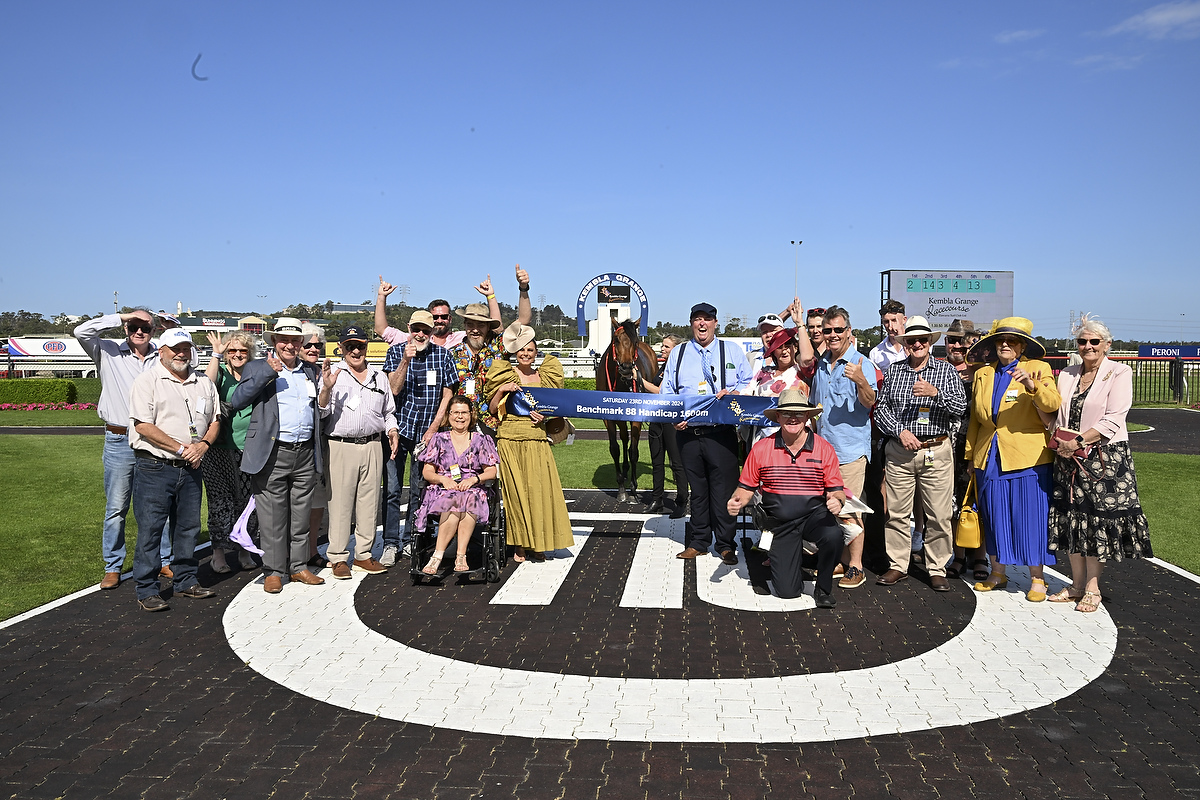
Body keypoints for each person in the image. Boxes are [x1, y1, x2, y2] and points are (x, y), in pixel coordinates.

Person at [1046, 315, 1152, 613]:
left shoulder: (1119, 372)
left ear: (1107, 345)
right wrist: (1035, 394)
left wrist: (1079, 442)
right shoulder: (1066, 373)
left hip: (1105, 458)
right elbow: (1054, 415)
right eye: (1083, 341)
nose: (1088, 346)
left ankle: (1093, 586)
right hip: (1068, 458)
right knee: (1072, 518)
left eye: (1094, 341)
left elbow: (1115, 417)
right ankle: (1076, 584)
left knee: (1098, 520)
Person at [74, 308, 175, 589]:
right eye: (133, 326)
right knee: (117, 507)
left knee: (158, 505)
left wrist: (167, 326)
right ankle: (113, 566)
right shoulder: (106, 351)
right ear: (125, 328)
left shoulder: (162, 356)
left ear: (154, 331)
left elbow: (185, 353)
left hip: (153, 439)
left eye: (145, 327)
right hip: (119, 439)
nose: (139, 332)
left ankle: (165, 560)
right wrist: (124, 315)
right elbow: (81, 331)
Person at [229, 317, 330, 594]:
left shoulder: (310, 371)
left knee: (300, 515)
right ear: (274, 341)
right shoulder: (257, 367)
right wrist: (267, 374)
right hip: (272, 451)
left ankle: (298, 567)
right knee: (272, 516)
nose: (290, 345)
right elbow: (237, 401)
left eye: (295, 340)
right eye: (284, 340)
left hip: (305, 451)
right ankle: (273, 570)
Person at [965, 317, 1062, 602]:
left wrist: (1033, 386)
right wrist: (971, 455)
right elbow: (976, 419)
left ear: (1023, 346)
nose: (1005, 345)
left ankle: (1037, 578)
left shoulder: (1038, 369)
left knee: (1030, 517)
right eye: (1000, 340)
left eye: (1012, 341)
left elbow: (1052, 405)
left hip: (1028, 457)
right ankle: (998, 572)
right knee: (994, 516)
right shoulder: (983, 374)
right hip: (989, 456)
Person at [127, 329, 221, 611]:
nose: (181, 353)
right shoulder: (148, 381)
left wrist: (203, 445)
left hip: (192, 466)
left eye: (186, 348)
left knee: (189, 529)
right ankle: (146, 589)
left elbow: (215, 419)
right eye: (175, 348)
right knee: (151, 530)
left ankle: (185, 581)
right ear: (162, 351)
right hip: (156, 466)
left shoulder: (203, 381)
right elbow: (142, 425)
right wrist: (181, 448)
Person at [872, 317, 967, 591]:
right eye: (911, 340)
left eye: (922, 340)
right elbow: (881, 410)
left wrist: (935, 393)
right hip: (901, 451)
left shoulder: (946, 372)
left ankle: (936, 566)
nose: (917, 344)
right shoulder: (894, 372)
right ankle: (898, 565)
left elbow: (960, 407)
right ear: (904, 344)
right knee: (898, 513)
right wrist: (899, 431)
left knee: (938, 514)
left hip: (935, 449)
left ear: (930, 343)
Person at [727, 390, 844, 609]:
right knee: (787, 593)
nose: (793, 418)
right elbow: (745, 488)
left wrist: (837, 501)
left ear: (807, 417)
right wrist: (736, 501)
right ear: (778, 417)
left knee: (834, 535)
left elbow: (837, 490)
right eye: (787, 413)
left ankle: (823, 588)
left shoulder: (824, 448)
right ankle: (793, 560)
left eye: (799, 414)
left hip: (813, 516)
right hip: (779, 523)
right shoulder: (761, 448)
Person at [660, 302, 753, 565]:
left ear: (715, 323)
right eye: (697, 320)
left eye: (707, 320)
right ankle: (699, 541)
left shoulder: (731, 351)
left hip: (721, 433)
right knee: (698, 490)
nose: (702, 324)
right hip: (688, 433)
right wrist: (674, 418)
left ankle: (725, 544)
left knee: (723, 490)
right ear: (691, 323)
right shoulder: (678, 354)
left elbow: (749, 383)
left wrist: (736, 394)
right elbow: (668, 392)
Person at [487, 321, 574, 562]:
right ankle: (520, 545)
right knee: (516, 495)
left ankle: (539, 543)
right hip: (509, 438)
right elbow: (494, 409)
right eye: (522, 350)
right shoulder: (504, 373)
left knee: (540, 493)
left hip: (537, 438)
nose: (525, 354)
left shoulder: (546, 376)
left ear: (536, 353)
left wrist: (545, 414)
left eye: (530, 350)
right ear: (516, 352)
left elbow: (556, 409)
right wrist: (502, 389)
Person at [317, 325, 399, 580]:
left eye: (360, 346)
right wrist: (327, 389)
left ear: (366, 347)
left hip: (374, 444)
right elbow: (321, 412)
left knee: (369, 501)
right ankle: (339, 556)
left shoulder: (379, 376)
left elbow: (388, 412)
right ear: (341, 348)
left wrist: (393, 431)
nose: (355, 350)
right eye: (349, 346)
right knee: (340, 503)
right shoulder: (333, 375)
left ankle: (363, 554)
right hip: (341, 444)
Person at [379, 310, 459, 566]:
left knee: (419, 489)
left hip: (426, 433)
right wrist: (404, 360)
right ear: (409, 328)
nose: (421, 334)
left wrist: (434, 428)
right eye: (416, 329)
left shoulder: (443, 355)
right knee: (392, 490)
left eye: (426, 330)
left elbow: (447, 395)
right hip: (397, 431)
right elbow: (392, 389)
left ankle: (413, 537)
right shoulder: (395, 352)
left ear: (433, 330)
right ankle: (391, 542)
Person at [808, 305, 878, 589]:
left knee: (849, 510)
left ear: (849, 332)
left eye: (839, 330)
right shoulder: (822, 364)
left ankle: (856, 567)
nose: (833, 335)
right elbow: (815, 406)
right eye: (828, 330)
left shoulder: (862, 363)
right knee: (829, 510)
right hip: (824, 451)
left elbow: (870, 401)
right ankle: (838, 559)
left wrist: (861, 381)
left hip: (849, 452)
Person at [415, 396, 500, 573]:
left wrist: (474, 479)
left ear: (471, 415)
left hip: (473, 488)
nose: (460, 417)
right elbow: (427, 472)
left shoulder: (480, 440)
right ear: (449, 415)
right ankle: (438, 556)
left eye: (464, 412)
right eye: (455, 413)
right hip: (445, 488)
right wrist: (443, 479)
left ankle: (460, 555)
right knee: (453, 502)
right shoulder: (439, 439)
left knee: (468, 498)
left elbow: (491, 471)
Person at [445, 266, 533, 431]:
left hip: (491, 424)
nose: (475, 329)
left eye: (480, 325)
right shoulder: (452, 354)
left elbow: (523, 320)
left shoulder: (498, 348)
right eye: (470, 324)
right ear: (464, 326)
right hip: (458, 424)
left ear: (488, 327)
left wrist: (523, 288)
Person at [202, 330, 260, 573]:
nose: (237, 355)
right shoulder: (221, 373)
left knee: (246, 503)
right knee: (219, 501)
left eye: (242, 351)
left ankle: (244, 549)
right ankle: (218, 553)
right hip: (218, 449)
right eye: (232, 351)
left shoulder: (255, 374)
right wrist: (216, 354)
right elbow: (206, 387)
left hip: (249, 447)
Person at [941, 319, 989, 582]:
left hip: (974, 446)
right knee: (951, 505)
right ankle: (958, 554)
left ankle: (979, 555)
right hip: (945, 446)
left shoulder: (983, 373)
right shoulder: (938, 370)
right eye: (952, 340)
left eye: (962, 341)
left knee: (975, 501)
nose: (956, 345)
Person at [639, 334, 689, 516]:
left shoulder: (679, 368)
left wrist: (640, 381)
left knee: (676, 462)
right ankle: (657, 499)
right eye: (662, 346)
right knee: (656, 461)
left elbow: (662, 391)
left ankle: (682, 500)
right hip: (657, 419)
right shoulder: (662, 368)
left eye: (666, 347)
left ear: (676, 349)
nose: (662, 349)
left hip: (672, 419)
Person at [300, 323, 331, 570]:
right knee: (296, 503)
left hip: (320, 445)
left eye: (317, 345)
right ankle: (293, 554)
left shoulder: (324, 373)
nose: (313, 349)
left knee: (317, 502)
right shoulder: (292, 372)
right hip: (297, 446)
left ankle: (311, 550)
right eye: (308, 344)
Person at [869, 300, 908, 375]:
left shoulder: (919, 346)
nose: (890, 327)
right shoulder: (876, 353)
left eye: (894, 320)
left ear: (904, 320)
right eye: (886, 322)